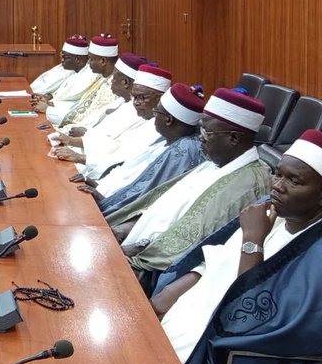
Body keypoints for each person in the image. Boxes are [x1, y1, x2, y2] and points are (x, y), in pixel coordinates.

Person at [152, 130, 322, 364]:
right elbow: (218, 259)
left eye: (293, 181)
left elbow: (245, 322)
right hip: (196, 328)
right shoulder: (273, 209)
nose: (278, 188)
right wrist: (177, 287)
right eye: (278, 175)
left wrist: (253, 240)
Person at [108, 88, 274, 281]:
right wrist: (122, 230)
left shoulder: (248, 183)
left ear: (234, 139)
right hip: (132, 247)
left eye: (207, 131)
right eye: (200, 129)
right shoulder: (213, 162)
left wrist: (132, 250)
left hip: (153, 271)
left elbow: (191, 243)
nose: (200, 137)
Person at [95, 83, 206, 214]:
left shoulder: (181, 153)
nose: (154, 116)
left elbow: (145, 198)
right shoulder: (164, 140)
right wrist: (98, 187)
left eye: (156, 112)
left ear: (168, 120)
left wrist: (105, 201)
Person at [68, 63, 171, 182]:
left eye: (142, 98)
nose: (136, 103)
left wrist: (80, 157)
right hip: (98, 170)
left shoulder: (159, 129)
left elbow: (123, 160)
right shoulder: (140, 113)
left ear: (160, 98)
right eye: (135, 97)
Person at [50, 52, 144, 160]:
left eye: (114, 77)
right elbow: (91, 123)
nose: (111, 80)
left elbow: (115, 147)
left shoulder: (136, 112)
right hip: (84, 149)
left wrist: (77, 143)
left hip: (93, 160)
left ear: (125, 82)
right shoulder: (120, 102)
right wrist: (67, 136)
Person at [46, 35, 121, 127]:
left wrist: (47, 109)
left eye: (91, 59)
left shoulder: (114, 87)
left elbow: (89, 118)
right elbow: (80, 106)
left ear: (103, 61)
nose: (88, 63)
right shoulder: (102, 79)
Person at [31, 36, 98, 114]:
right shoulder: (70, 70)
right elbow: (58, 94)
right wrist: (46, 97)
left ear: (78, 59)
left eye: (65, 57)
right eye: (61, 56)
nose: (62, 60)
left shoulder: (88, 77)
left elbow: (76, 104)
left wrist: (49, 105)